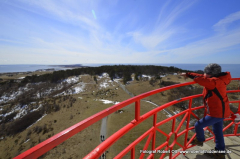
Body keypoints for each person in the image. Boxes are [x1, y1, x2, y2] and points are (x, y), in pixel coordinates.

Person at [181, 63, 231, 159]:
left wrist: (189, 75)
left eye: (207, 72)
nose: (204, 74)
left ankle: (200, 140)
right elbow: (203, 76)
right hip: (222, 111)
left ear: (213, 74)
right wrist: (188, 74)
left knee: (198, 125)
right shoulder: (220, 79)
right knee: (218, 132)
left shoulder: (213, 82)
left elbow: (201, 79)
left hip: (216, 112)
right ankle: (220, 152)